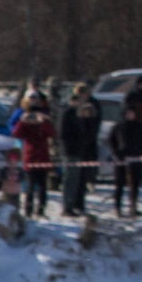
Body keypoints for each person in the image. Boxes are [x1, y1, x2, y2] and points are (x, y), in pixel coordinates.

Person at [59, 84, 101, 216]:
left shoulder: (80, 114)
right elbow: (63, 133)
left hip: (81, 150)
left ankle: (74, 204)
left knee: (78, 179)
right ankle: (68, 206)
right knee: (70, 179)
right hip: (71, 151)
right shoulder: (68, 114)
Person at [107, 101, 142, 218]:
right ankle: (117, 208)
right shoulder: (118, 127)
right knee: (119, 184)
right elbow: (111, 141)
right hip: (121, 159)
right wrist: (116, 153)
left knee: (135, 185)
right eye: (128, 113)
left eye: (132, 113)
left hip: (135, 159)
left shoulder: (139, 126)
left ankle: (133, 207)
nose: (130, 115)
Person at [13, 94, 54, 217]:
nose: (34, 119)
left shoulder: (43, 123)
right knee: (30, 187)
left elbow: (52, 133)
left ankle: (41, 210)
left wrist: (44, 121)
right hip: (30, 158)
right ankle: (28, 210)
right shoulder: (25, 124)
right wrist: (22, 121)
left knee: (43, 187)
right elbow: (16, 134)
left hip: (43, 157)